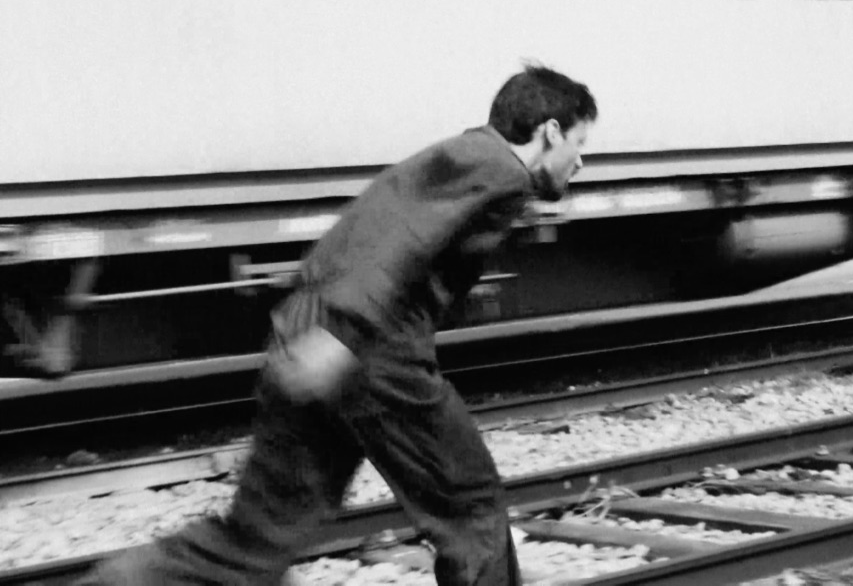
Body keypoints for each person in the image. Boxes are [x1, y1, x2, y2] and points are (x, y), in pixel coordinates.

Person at [80, 65, 597, 585]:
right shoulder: (501, 170)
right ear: (550, 131)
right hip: (368, 346)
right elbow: (397, 246)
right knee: (470, 507)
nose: (580, 160)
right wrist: (342, 334)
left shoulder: (460, 156)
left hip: (307, 329)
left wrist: (326, 330)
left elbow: (380, 238)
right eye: (579, 143)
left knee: (259, 537)